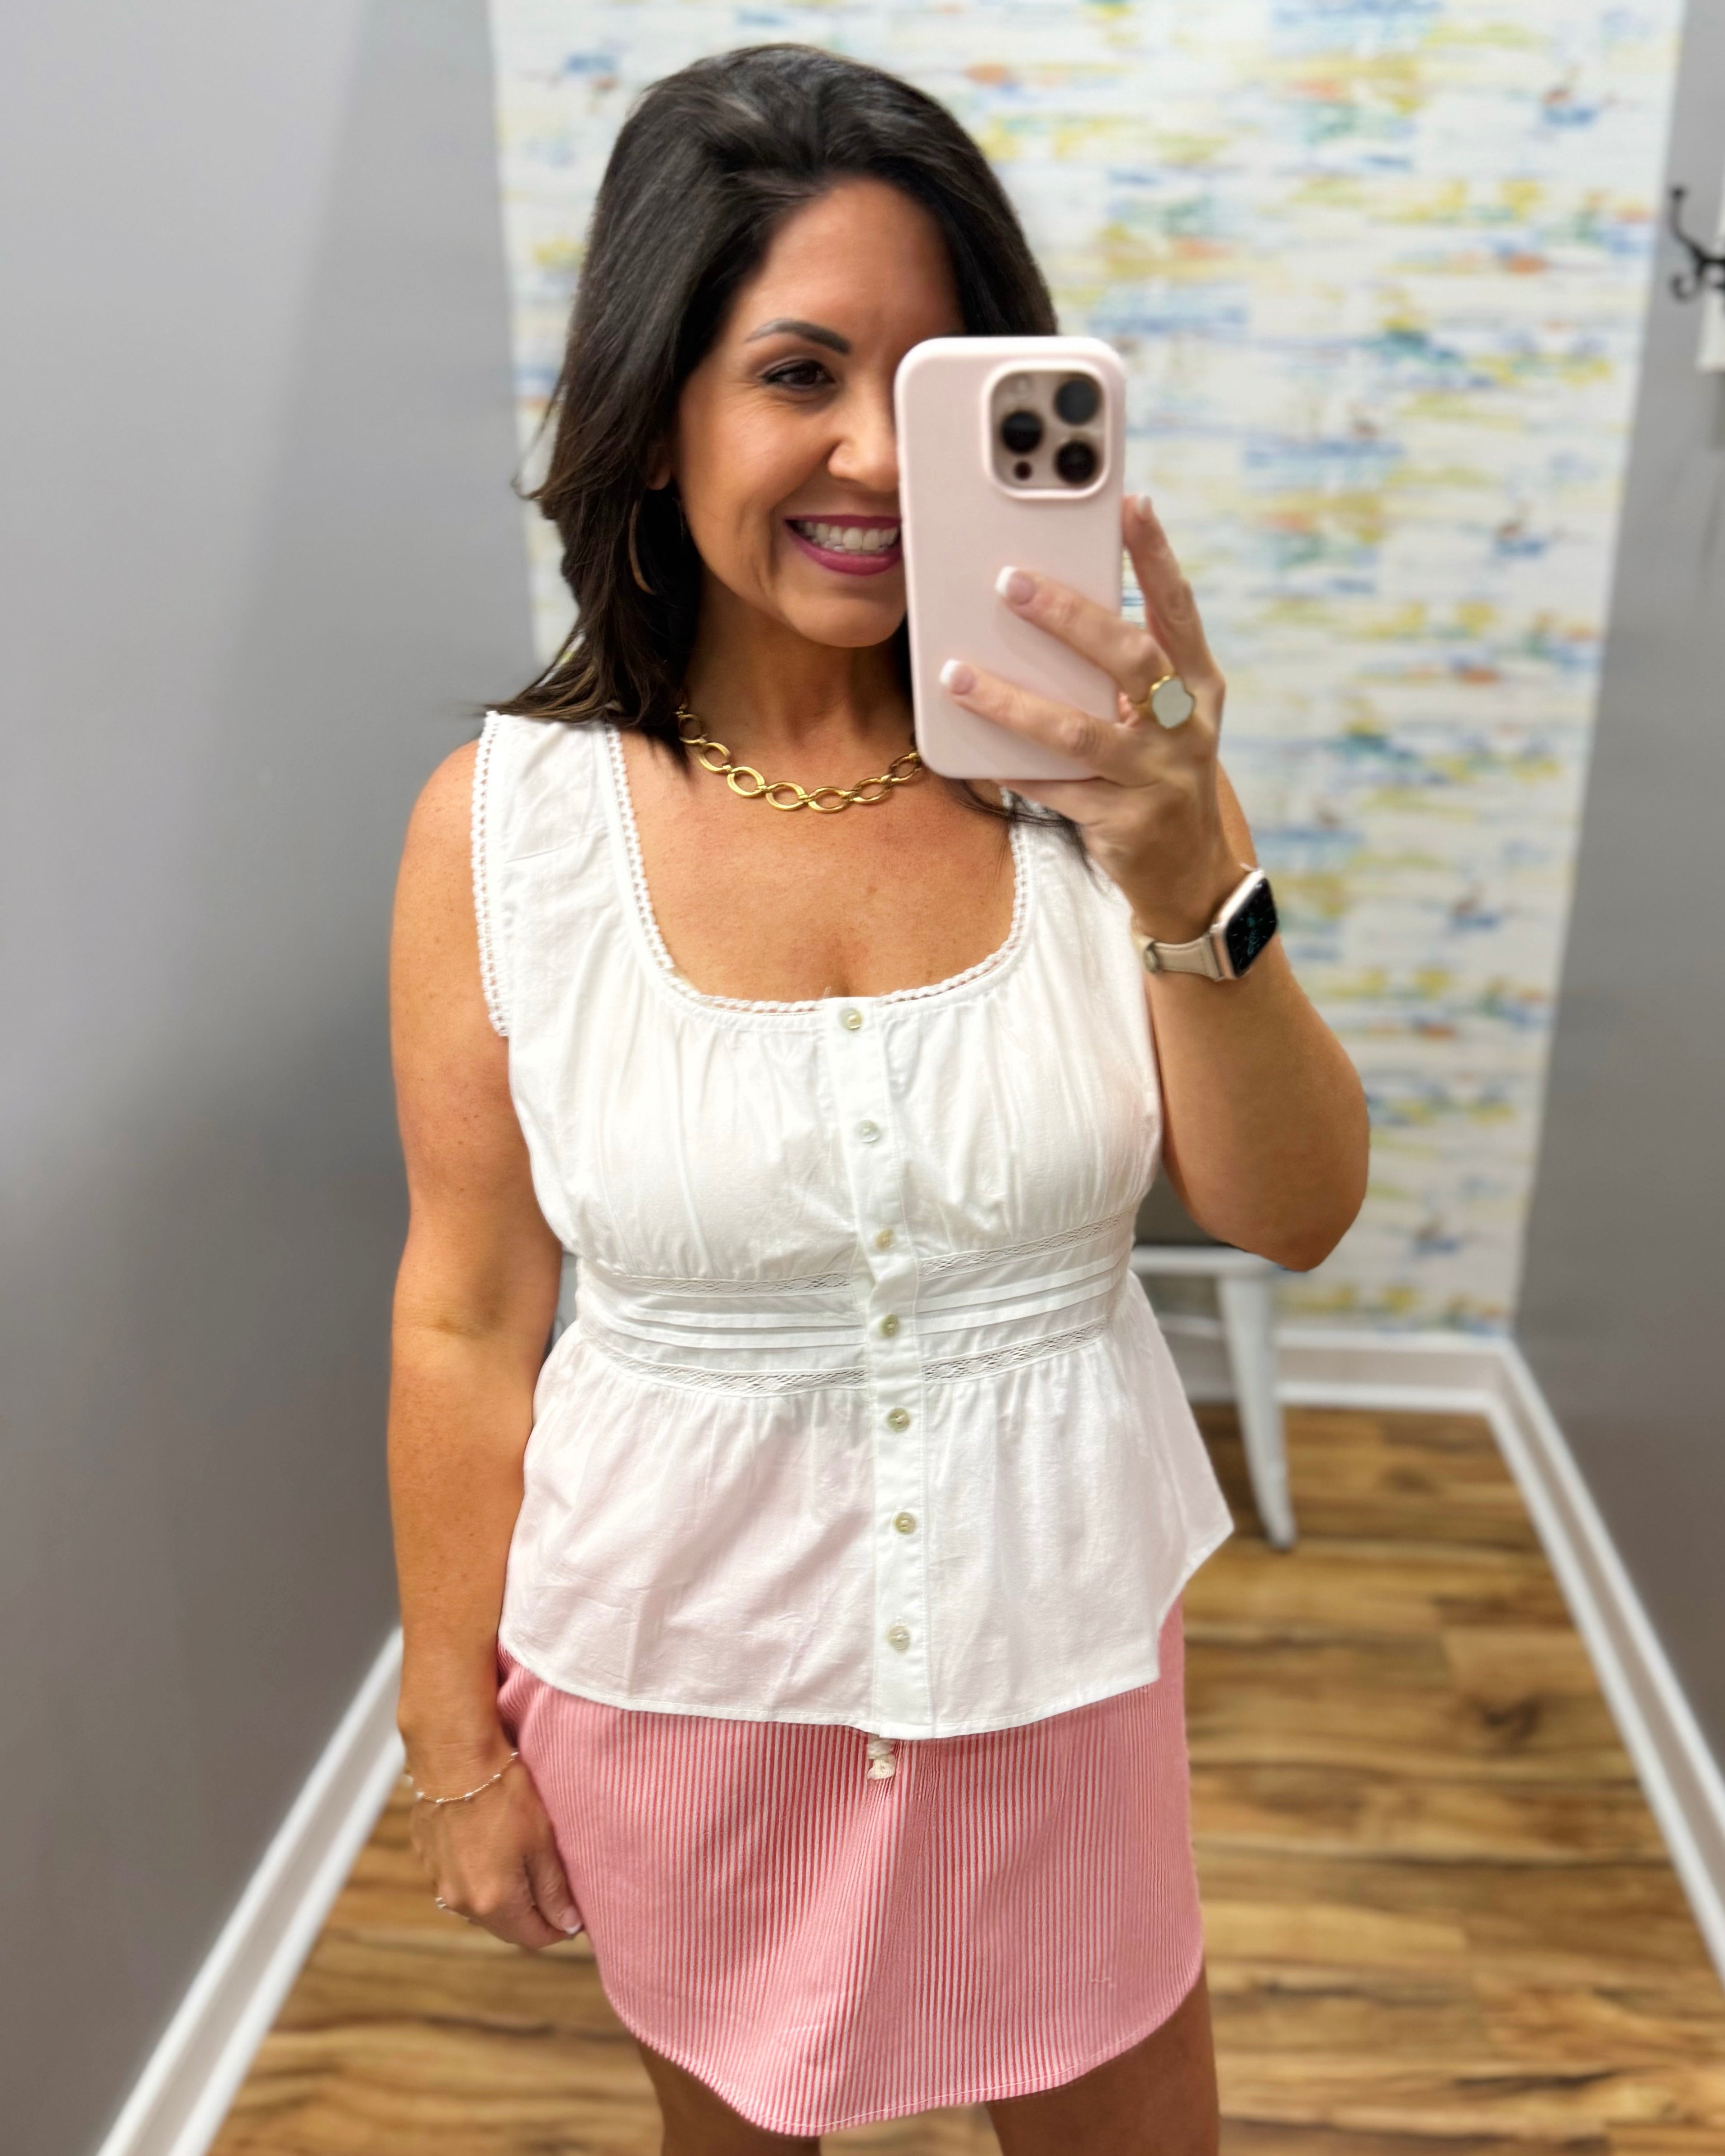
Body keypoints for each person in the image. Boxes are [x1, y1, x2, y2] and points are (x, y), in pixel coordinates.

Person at [386, 42, 1368, 2156]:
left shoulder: (1103, 775)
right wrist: (451, 1740)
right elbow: (467, 1310)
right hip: (673, 1664)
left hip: (1054, 1659)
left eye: (935, 385)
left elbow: (1290, 1213)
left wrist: (1190, 856)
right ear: (656, 415)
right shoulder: (504, 830)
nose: (873, 456)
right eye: (799, 372)